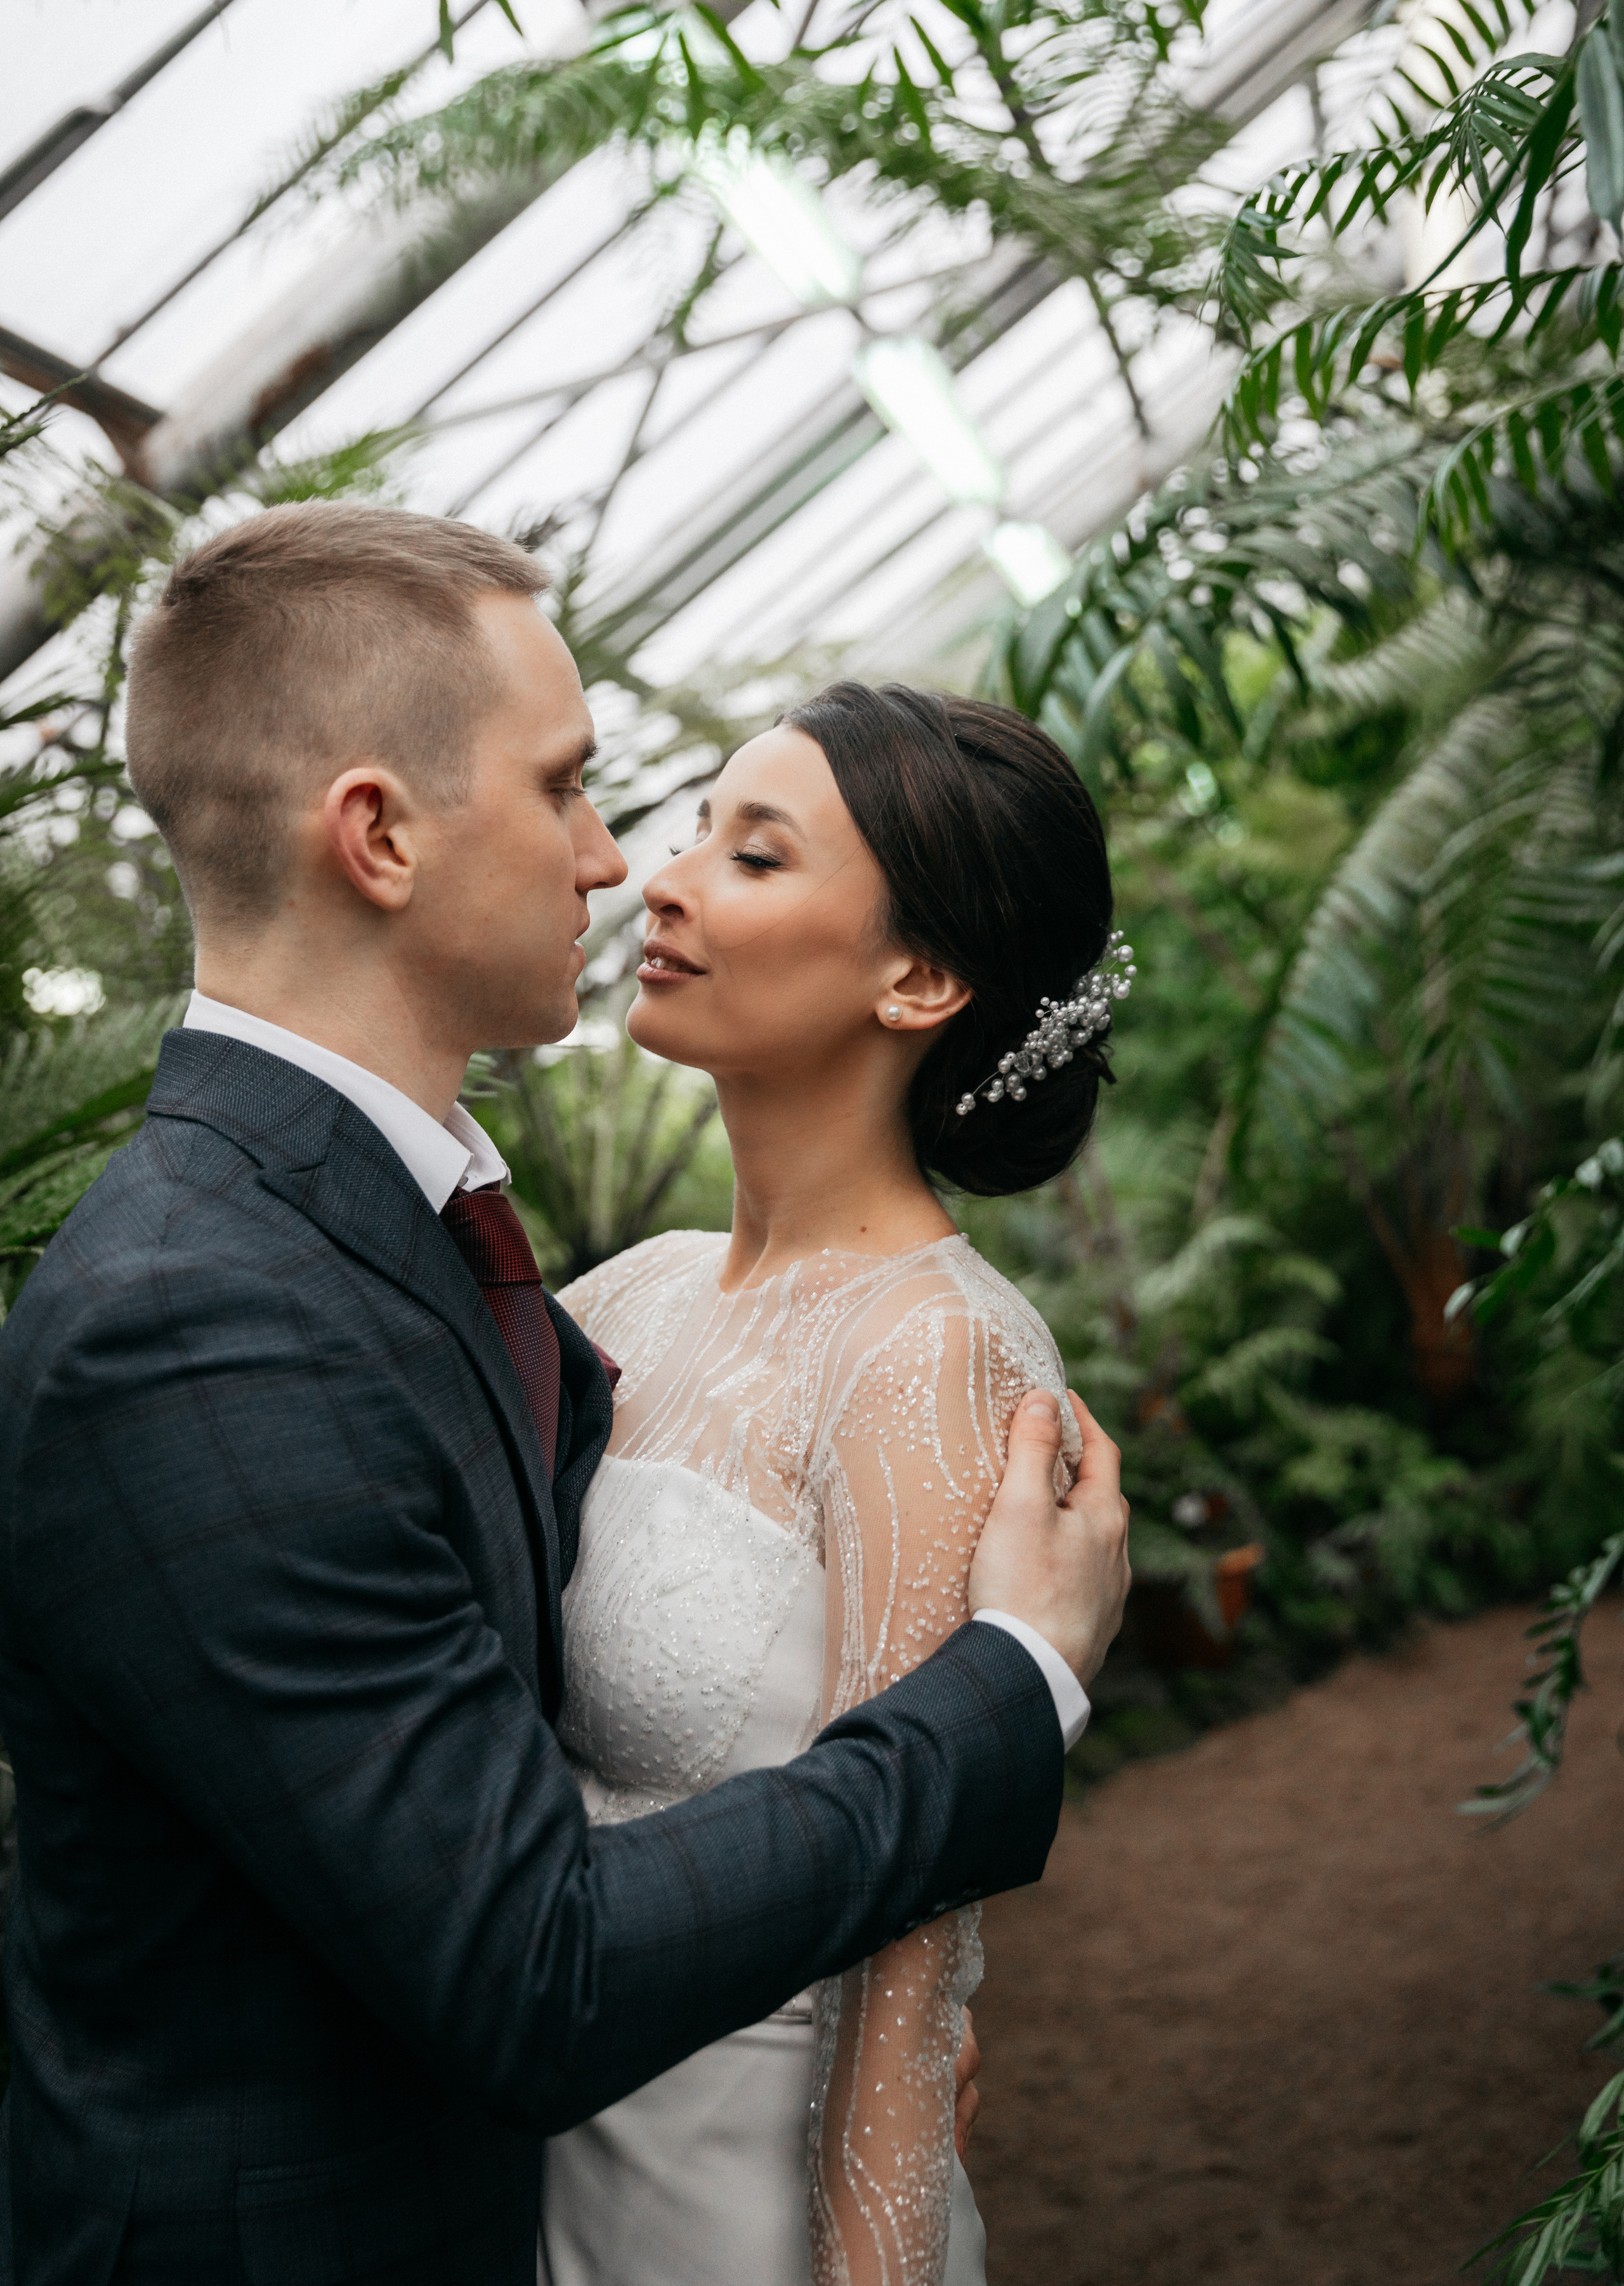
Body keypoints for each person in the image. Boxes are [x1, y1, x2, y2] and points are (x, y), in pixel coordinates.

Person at [0, 506, 1130, 2286]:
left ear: (921, 982)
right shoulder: (223, 1316)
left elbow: (897, 2000)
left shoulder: (447, 1251)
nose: (622, 865)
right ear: (376, 835)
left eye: (737, 850)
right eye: (571, 791)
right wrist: (1018, 1687)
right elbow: (529, 1952)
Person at [539, 681, 1129, 2286]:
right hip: (522, 2160)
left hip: (733, 2215)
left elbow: (908, 1956)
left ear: (917, 978)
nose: (663, 877)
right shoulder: (621, 1299)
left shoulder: (935, 1361)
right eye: (699, 830)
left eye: (756, 853)